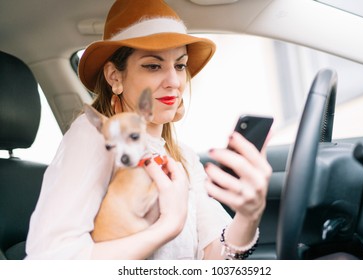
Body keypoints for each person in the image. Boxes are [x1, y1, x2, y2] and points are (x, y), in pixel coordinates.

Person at [25, 0, 272, 260]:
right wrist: (167, 226)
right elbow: (49, 259)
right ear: (115, 77)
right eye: (153, 66)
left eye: (180, 65)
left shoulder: (185, 158)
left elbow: (214, 258)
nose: (175, 82)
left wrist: (248, 216)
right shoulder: (95, 134)